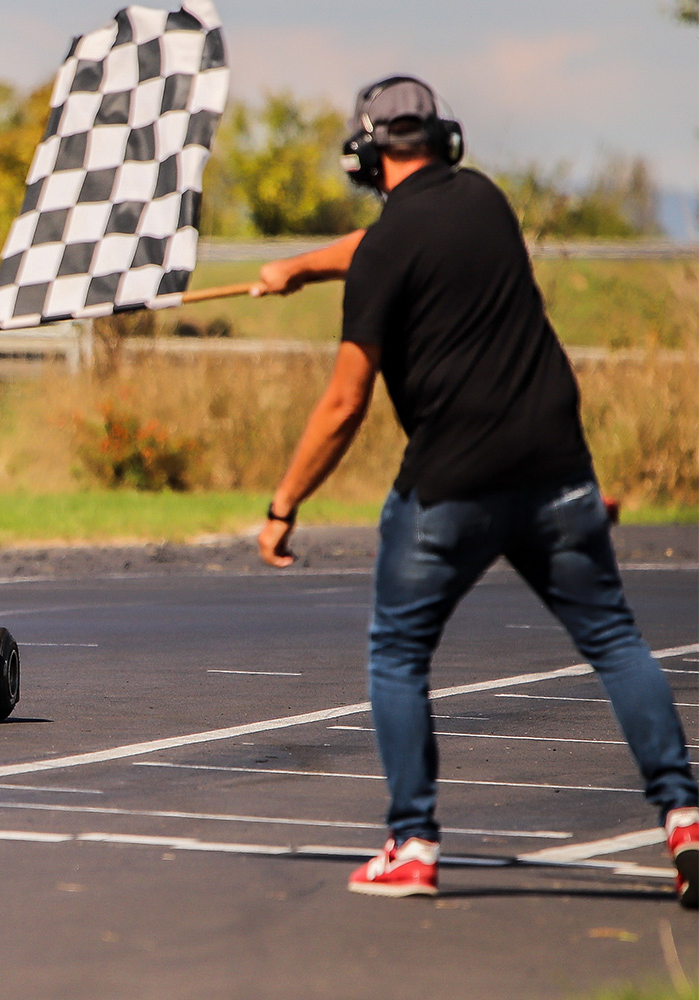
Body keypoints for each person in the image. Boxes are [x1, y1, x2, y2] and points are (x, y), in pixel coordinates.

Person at [250, 76, 697, 905]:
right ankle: (686, 820)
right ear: (441, 140)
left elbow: (345, 401)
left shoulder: (387, 250)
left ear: (368, 152)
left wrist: (283, 506)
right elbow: (388, 240)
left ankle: (411, 843)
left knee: (397, 655)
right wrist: (300, 267)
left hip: (450, 487)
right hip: (559, 472)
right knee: (615, 641)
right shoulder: (485, 201)